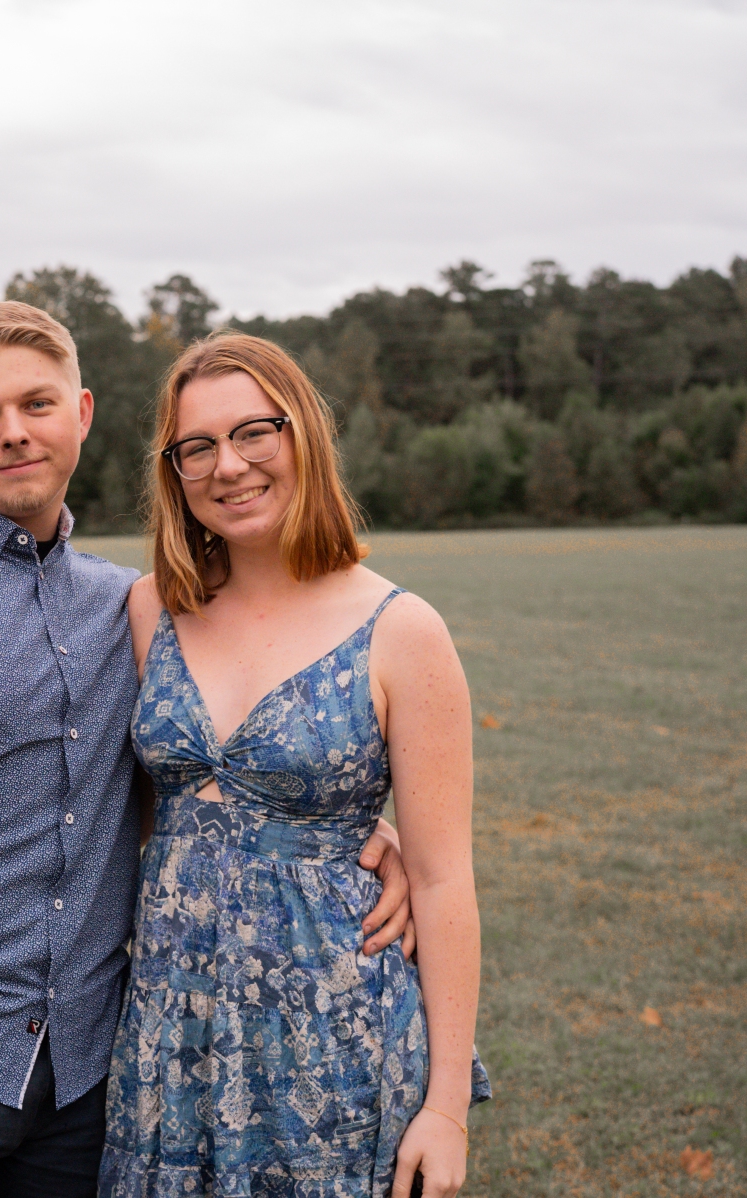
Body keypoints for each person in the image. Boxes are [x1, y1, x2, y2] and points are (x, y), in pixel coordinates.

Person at [0, 303, 418, 1197]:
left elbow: (192, 768)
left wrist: (350, 830)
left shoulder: (129, 607)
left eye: (36, 405)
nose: (13, 432)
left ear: (80, 414)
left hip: (84, 1069)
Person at [100, 333, 491, 1198]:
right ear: (174, 471)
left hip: (334, 1043)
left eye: (254, 432)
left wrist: (447, 1108)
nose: (228, 465)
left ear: (304, 432)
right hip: (171, 1042)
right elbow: (136, 811)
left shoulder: (402, 630)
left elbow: (443, 881)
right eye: (197, 446)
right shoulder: (149, 610)